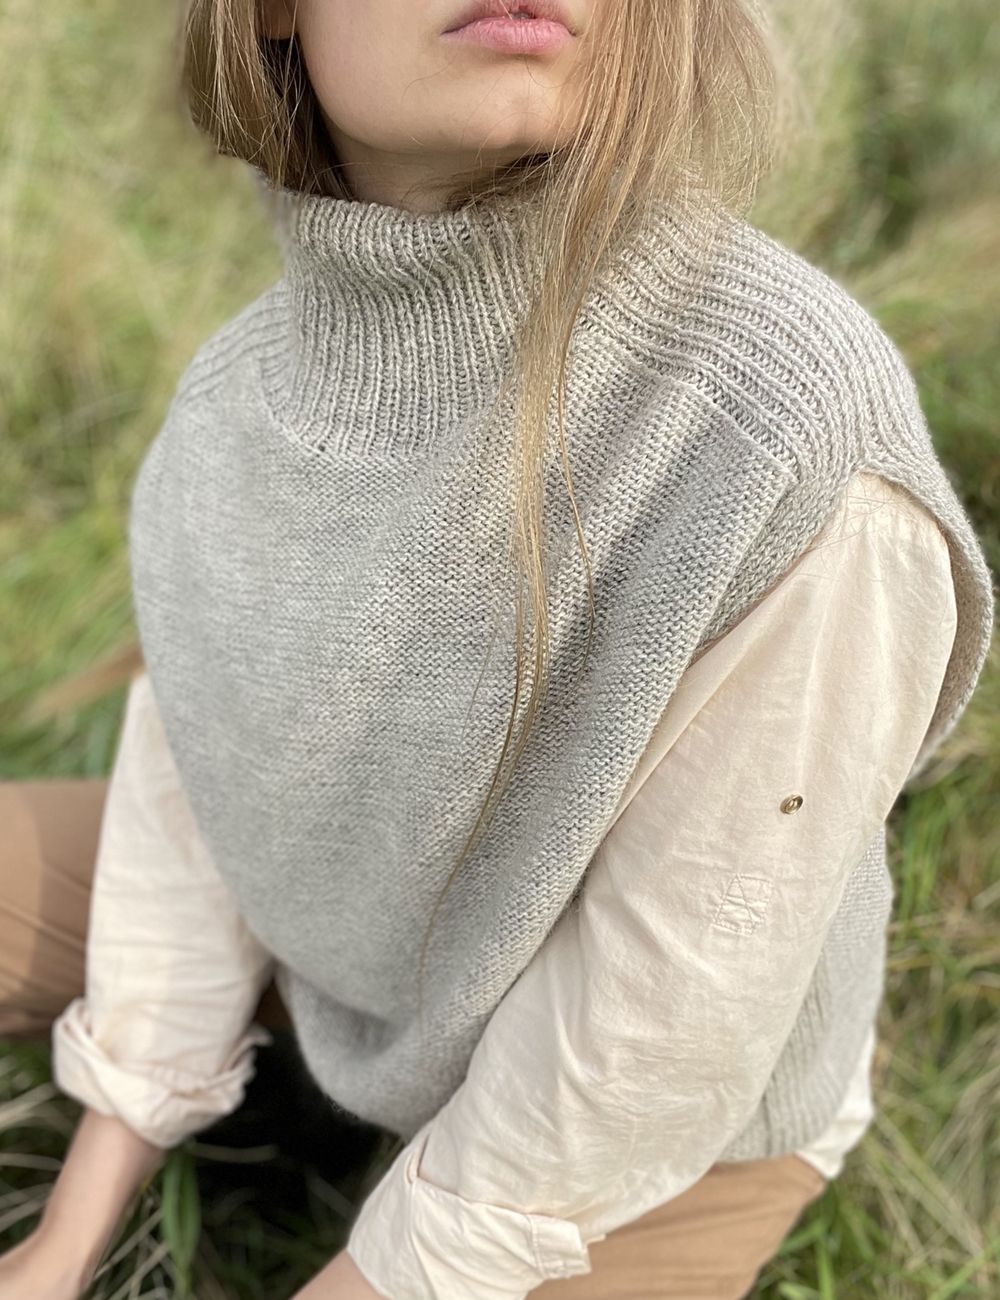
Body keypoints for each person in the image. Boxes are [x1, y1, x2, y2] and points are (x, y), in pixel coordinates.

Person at [0, 2, 994, 1298]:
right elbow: (195, 793)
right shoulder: (239, 392)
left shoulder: (784, 429)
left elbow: (658, 1019)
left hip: (651, 1140)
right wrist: (62, 1242)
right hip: (358, 969)